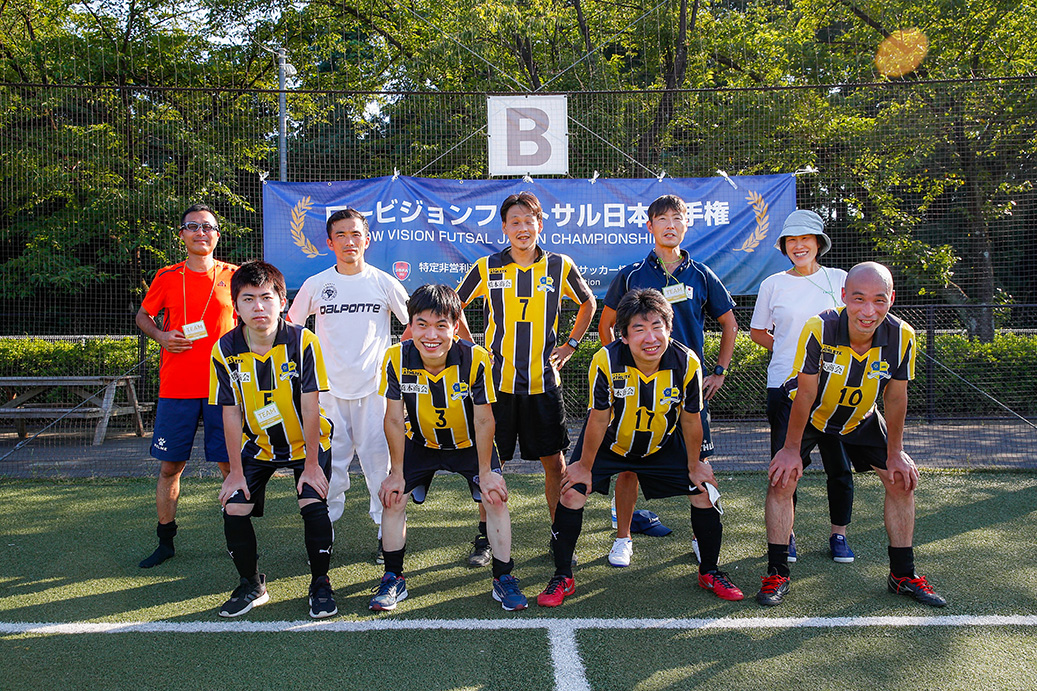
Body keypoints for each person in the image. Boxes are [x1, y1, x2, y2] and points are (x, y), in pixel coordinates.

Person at [756, 262, 947, 608]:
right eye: (858, 299)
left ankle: (902, 574)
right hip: (810, 413)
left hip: (860, 417)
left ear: (891, 299)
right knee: (782, 480)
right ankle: (777, 572)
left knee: (901, 479)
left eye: (879, 300)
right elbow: (806, 393)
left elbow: (895, 395)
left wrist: (896, 451)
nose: (868, 311)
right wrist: (790, 449)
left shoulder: (902, 335)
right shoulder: (821, 327)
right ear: (844, 296)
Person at [537, 289, 744, 607]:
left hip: (663, 443)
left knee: (705, 489)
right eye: (639, 328)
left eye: (657, 326)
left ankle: (710, 571)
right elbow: (597, 418)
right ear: (623, 335)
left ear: (669, 329)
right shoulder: (606, 359)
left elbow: (690, 420)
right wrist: (584, 465)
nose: (650, 337)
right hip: (612, 442)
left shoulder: (686, 361)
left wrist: (695, 463)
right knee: (571, 489)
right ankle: (562, 576)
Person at [455, 191, 596, 567]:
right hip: (496, 388)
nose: (522, 228)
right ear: (504, 227)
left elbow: (589, 303)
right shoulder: (487, 266)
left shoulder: (559, 266)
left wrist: (571, 344)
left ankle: (558, 535)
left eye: (528, 221)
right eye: (514, 222)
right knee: (489, 464)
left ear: (539, 225)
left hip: (543, 386)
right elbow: (454, 306)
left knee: (555, 464)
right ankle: (485, 539)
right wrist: (472, 347)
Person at [597, 194, 737, 568]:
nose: (670, 224)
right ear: (650, 226)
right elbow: (605, 324)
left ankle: (699, 539)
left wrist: (719, 370)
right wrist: (620, 365)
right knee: (628, 466)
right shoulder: (630, 275)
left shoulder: (702, 274)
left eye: (677, 218)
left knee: (701, 466)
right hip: (637, 392)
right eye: (662, 219)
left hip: (686, 391)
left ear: (686, 225)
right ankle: (623, 538)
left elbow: (729, 323)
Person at [369, 284, 527, 612]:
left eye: (441, 325)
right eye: (422, 324)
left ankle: (503, 577)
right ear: (409, 325)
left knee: (495, 496)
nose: (431, 334)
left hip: (468, 444)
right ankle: (392, 578)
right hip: (421, 442)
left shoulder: (476, 359)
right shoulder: (396, 358)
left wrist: (486, 472)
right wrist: (396, 472)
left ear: (456, 327)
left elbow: (485, 422)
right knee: (393, 496)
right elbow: (394, 420)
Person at [211, 261, 338, 619]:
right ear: (236, 305)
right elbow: (230, 411)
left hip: (307, 444)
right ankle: (252, 583)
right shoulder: (225, 349)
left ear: (282, 301)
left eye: (267, 298)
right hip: (259, 445)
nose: (259, 307)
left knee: (312, 502)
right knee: (234, 505)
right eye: (248, 299)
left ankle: (320, 582)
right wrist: (234, 472)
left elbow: (312, 407)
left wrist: (311, 466)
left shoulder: (303, 341)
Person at [288, 208, 409, 562]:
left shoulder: (384, 282)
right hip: (327, 395)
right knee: (332, 469)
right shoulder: (316, 284)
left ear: (367, 240)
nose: (349, 241)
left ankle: (385, 536)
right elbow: (290, 330)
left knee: (378, 468)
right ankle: (324, 536)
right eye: (340, 235)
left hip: (375, 394)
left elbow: (414, 324)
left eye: (355, 234)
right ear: (329, 243)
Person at [135, 204, 237, 569]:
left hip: (223, 389)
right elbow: (143, 315)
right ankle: (165, 541)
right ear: (182, 235)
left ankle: (236, 540)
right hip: (176, 387)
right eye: (192, 227)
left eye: (207, 227)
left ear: (217, 236)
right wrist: (161, 335)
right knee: (170, 467)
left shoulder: (235, 276)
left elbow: (255, 321)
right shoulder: (166, 276)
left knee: (229, 466)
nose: (200, 232)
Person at [750, 209, 854, 564]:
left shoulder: (840, 279)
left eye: (805, 240)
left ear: (818, 244)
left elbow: (855, 327)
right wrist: (794, 351)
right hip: (783, 386)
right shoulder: (772, 284)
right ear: (784, 246)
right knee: (786, 468)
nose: (798, 246)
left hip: (834, 390)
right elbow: (758, 332)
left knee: (839, 466)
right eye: (791, 241)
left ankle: (838, 535)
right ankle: (786, 535)